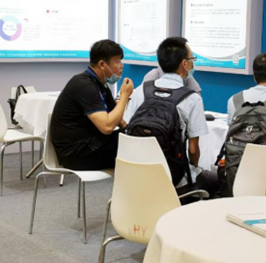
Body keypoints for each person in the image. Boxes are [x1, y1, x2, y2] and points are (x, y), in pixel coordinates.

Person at [126, 37, 217, 196]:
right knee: (216, 181)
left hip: (136, 175)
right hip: (174, 179)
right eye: (192, 60)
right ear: (185, 64)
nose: (193, 64)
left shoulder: (141, 91)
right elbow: (193, 150)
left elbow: (127, 129)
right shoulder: (192, 98)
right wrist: (194, 168)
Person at [51, 40, 133, 170]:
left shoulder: (100, 83)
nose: (121, 66)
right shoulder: (84, 85)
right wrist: (124, 96)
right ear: (102, 64)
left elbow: (116, 117)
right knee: (134, 148)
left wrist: (130, 129)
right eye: (117, 61)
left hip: (91, 143)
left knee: (137, 139)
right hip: (77, 153)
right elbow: (107, 127)